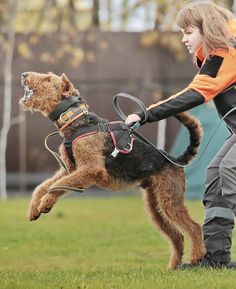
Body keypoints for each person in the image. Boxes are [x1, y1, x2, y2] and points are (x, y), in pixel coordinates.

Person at [125, 0, 236, 269]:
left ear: (206, 28)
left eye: (188, 31)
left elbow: (194, 94)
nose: (183, 38)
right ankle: (217, 259)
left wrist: (145, 114)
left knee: (230, 172)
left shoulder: (226, 55)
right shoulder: (217, 53)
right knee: (216, 175)